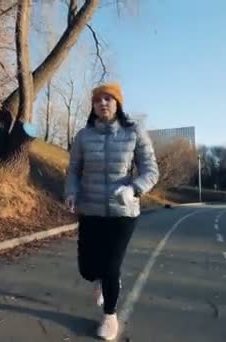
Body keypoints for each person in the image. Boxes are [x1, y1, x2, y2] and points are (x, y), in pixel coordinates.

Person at [64, 82, 159, 340]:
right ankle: (100, 280)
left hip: (123, 212)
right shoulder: (84, 136)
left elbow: (151, 170)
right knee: (87, 268)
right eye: (98, 100)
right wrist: (71, 192)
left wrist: (135, 189)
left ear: (118, 103)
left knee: (111, 265)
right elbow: (73, 170)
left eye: (109, 99)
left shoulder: (134, 132)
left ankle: (109, 316)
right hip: (90, 209)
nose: (103, 103)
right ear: (93, 106)